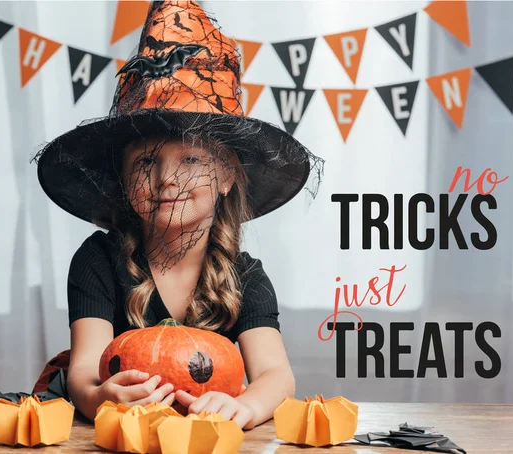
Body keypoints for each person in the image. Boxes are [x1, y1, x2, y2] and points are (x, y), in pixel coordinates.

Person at [33, 0, 323, 429]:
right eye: (146, 164)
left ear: (226, 175)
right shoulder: (98, 260)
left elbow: (276, 375)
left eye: (189, 160)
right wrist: (100, 398)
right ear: (124, 180)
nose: (167, 179)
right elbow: (83, 372)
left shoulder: (245, 277)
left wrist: (247, 407)